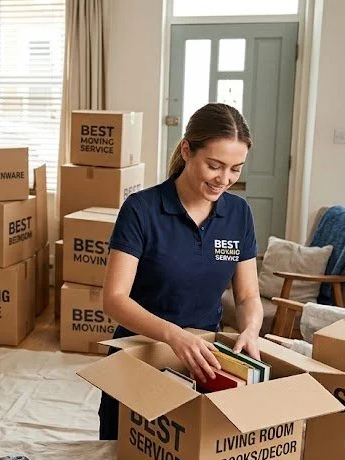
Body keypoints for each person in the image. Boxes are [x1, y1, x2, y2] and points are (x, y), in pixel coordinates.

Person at [98, 103, 264, 440]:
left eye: (235, 169)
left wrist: (251, 329)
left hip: (203, 361)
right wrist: (174, 335)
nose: (225, 180)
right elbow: (114, 299)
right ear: (187, 150)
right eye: (214, 166)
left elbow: (247, 296)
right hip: (138, 353)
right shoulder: (142, 210)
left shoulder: (239, 214)